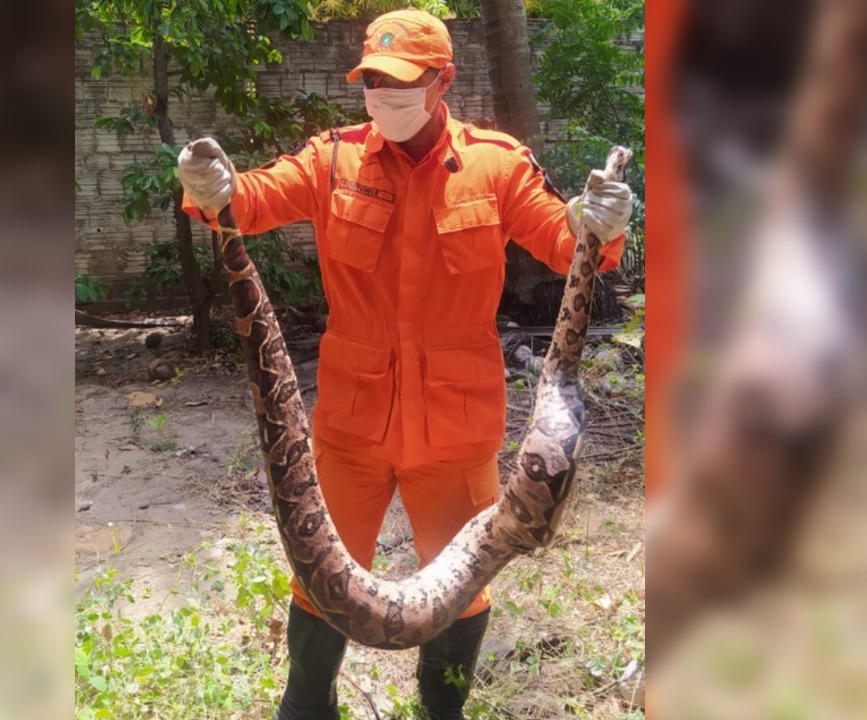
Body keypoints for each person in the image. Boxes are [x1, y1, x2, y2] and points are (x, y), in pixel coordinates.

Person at [177, 9, 633, 719]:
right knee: (318, 578)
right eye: (371, 84)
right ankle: (307, 704)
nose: (381, 97)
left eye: (398, 84)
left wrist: (597, 222)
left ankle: (440, 709)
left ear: (440, 81)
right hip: (352, 426)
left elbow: (565, 239)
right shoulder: (333, 159)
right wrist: (214, 191)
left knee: (461, 589)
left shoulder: (494, 163)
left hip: (454, 427)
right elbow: (253, 199)